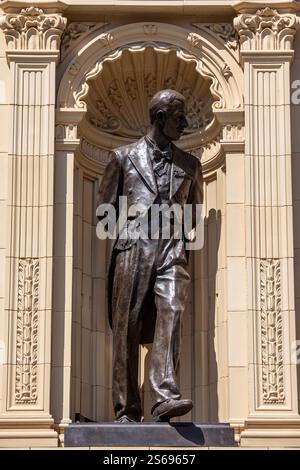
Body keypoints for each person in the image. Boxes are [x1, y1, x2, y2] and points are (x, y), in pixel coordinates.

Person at [97, 89, 203, 423]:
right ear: (160, 118)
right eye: (179, 118)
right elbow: (104, 213)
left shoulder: (191, 165)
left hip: (172, 251)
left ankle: (164, 397)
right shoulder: (122, 157)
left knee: (172, 311)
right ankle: (127, 409)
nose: (185, 124)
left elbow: (193, 215)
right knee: (126, 330)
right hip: (132, 251)